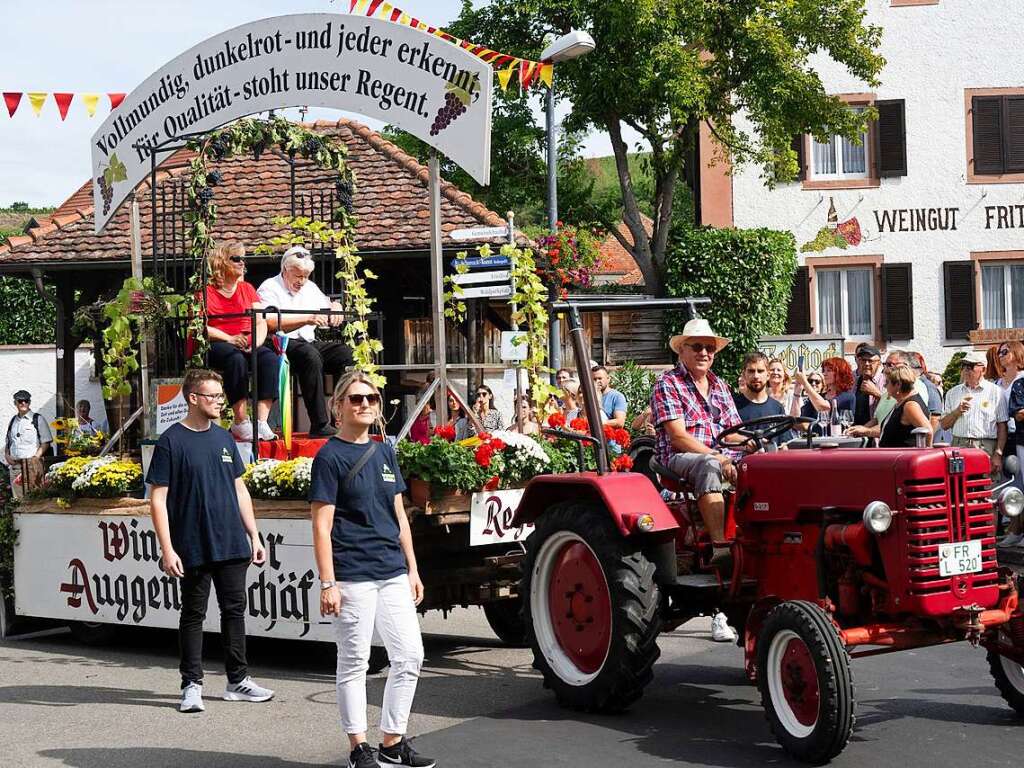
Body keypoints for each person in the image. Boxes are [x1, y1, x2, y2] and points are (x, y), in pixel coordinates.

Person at [310, 372, 433, 768]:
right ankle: (358, 747)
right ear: (339, 406)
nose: (366, 405)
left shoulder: (384, 452)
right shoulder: (329, 457)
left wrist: (413, 568)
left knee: (410, 655)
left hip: (393, 571)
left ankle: (393, 742)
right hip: (352, 574)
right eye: (357, 399)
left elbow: (399, 515)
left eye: (373, 399)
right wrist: (327, 582)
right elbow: (321, 526)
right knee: (354, 661)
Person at [146, 369, 273, 714]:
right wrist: (167, 548)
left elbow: (239, 488)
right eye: (213, 396)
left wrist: (254, 535)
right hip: (192, 545)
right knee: (193, 614)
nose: (220, 402)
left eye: (220, 396)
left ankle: (238, 681)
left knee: (234, 612)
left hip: (232, 543)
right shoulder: (171, 441)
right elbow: (157, 499)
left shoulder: (224, 439)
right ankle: (191, 685)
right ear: (193, 398)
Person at [651, 319, 748, 569]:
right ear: (681, 349)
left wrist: (754, 442)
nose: (703, 353)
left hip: (720, 454)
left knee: (762, 463)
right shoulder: (668, 384)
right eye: (696, 347)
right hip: (679, 457)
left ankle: (751, 538)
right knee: (708, 465)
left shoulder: (720, 386)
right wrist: (720, 457)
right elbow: (678, 437)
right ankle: (720, 548)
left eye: (709, 348)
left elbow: (731, 433)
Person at [257, 245, 353, 438]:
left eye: (306, 276)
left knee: (345, 354)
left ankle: (342, 418)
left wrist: (335, 307)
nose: (302, 281)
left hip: (306, 341)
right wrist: (307, 318)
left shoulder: (310, 287)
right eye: (297, 275)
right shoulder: (269, 287)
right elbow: (270, 322)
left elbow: (328, 303)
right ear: (285, 270)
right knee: (310, 356)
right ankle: (320, 424)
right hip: (279, 343)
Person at [204, 242, 279, 442]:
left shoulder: (247, 288)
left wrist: (255, 343)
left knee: (269, 359)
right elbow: (199, 326)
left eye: (243, 259)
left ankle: (262, 422)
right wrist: (229, 338)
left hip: (248, 339)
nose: (242, 263)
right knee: (235, 359)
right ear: (221, 262)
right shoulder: (206, 292)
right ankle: (240, 421)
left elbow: (261, 321)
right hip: (220, 341)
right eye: (236, 258)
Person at [939, 350, 1008, 480]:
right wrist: (957, 412)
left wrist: (998, 454)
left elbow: (1002, 426)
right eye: (963, 366)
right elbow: (943, 425)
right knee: (958, 487)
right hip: (959, 446)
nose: (966, 370)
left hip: (985, 447)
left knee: (986, 487)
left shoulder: (996, 392)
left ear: (983, 369)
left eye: (970, 366)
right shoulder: (952, 393)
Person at [848, 365, 932, 447]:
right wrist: (866, 430)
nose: (885, 386)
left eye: (887, 382)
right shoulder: (901, 401)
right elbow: (888, 430)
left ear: (898, 385)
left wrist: (927, 455)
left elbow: (928, 431)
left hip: (902, 458)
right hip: (894, 457)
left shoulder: (910, 405)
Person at [4, 389, 52, 499]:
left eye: (26, 401)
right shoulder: (13, 421)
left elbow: (46, 442)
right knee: (18, 502)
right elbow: (8, 441)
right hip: (16, 467)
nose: (23, 403)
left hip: (32, 467)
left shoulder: (37, 419)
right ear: (15, 403)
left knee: (35, 501)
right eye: (20, 401)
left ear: (29, 402)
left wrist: (35, 458)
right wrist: (7, 455)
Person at [734, 353, 786, 422]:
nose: (756, 376)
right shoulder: (733, 406)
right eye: (751, 371)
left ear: (768, 375)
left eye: (760, 371)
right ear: (744, 374)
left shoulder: (777, 408)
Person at [852, 345, 884, 427]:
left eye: (870, 361)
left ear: (879, 363)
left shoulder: (886, 381)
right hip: (856, 433)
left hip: (876, 434)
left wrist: (876, 393)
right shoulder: (855, 381)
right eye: (863, 360)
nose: (866, 364)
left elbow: (894, 405)